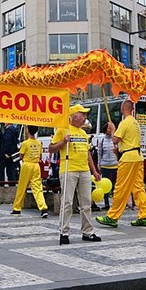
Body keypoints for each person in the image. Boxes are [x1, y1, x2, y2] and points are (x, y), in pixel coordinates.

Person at [49, 104, 103, 244]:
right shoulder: (62, 129)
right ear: (74, 116)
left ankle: (87, 231)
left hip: (84, 170)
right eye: (82, 114)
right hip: (69, 169)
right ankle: (64, 232)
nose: (85, 117)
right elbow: (51, 148)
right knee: (67, 202)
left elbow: (88, 154)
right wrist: (63, 141)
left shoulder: (83, 133)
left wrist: (94, 170)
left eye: (85, 114)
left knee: (86, 203)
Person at [95, 99, 146, 228]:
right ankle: (144, 214)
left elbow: (115, 139)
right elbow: (126, 141)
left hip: (128, 158)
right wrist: (119, 149)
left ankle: (112, 216)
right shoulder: (135, 123)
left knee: (120, 187)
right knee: (138, 187)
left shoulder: (124, 122)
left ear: (122, 109)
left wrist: (114, 129)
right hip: (138, 156)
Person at [11, 125, 49, 217]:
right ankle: (43, 207)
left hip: (27, 165)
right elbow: (40, 157)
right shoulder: (39, 143)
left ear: (27, 130)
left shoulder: (25, 143)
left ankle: (17, 208)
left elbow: (21, 156)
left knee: (22, 187)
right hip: (36, 166)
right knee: (37, 187)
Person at [96, 121, 118, 210]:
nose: (109, 130)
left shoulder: (116, 140)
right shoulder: (102, 141)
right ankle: (106, 203)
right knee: (105, 186)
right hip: (105, 166)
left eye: (111, 128)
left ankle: (115, 203)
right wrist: (99, 164)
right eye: (108, 128)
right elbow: (99, 153)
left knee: (115, 186)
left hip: (115, 165)